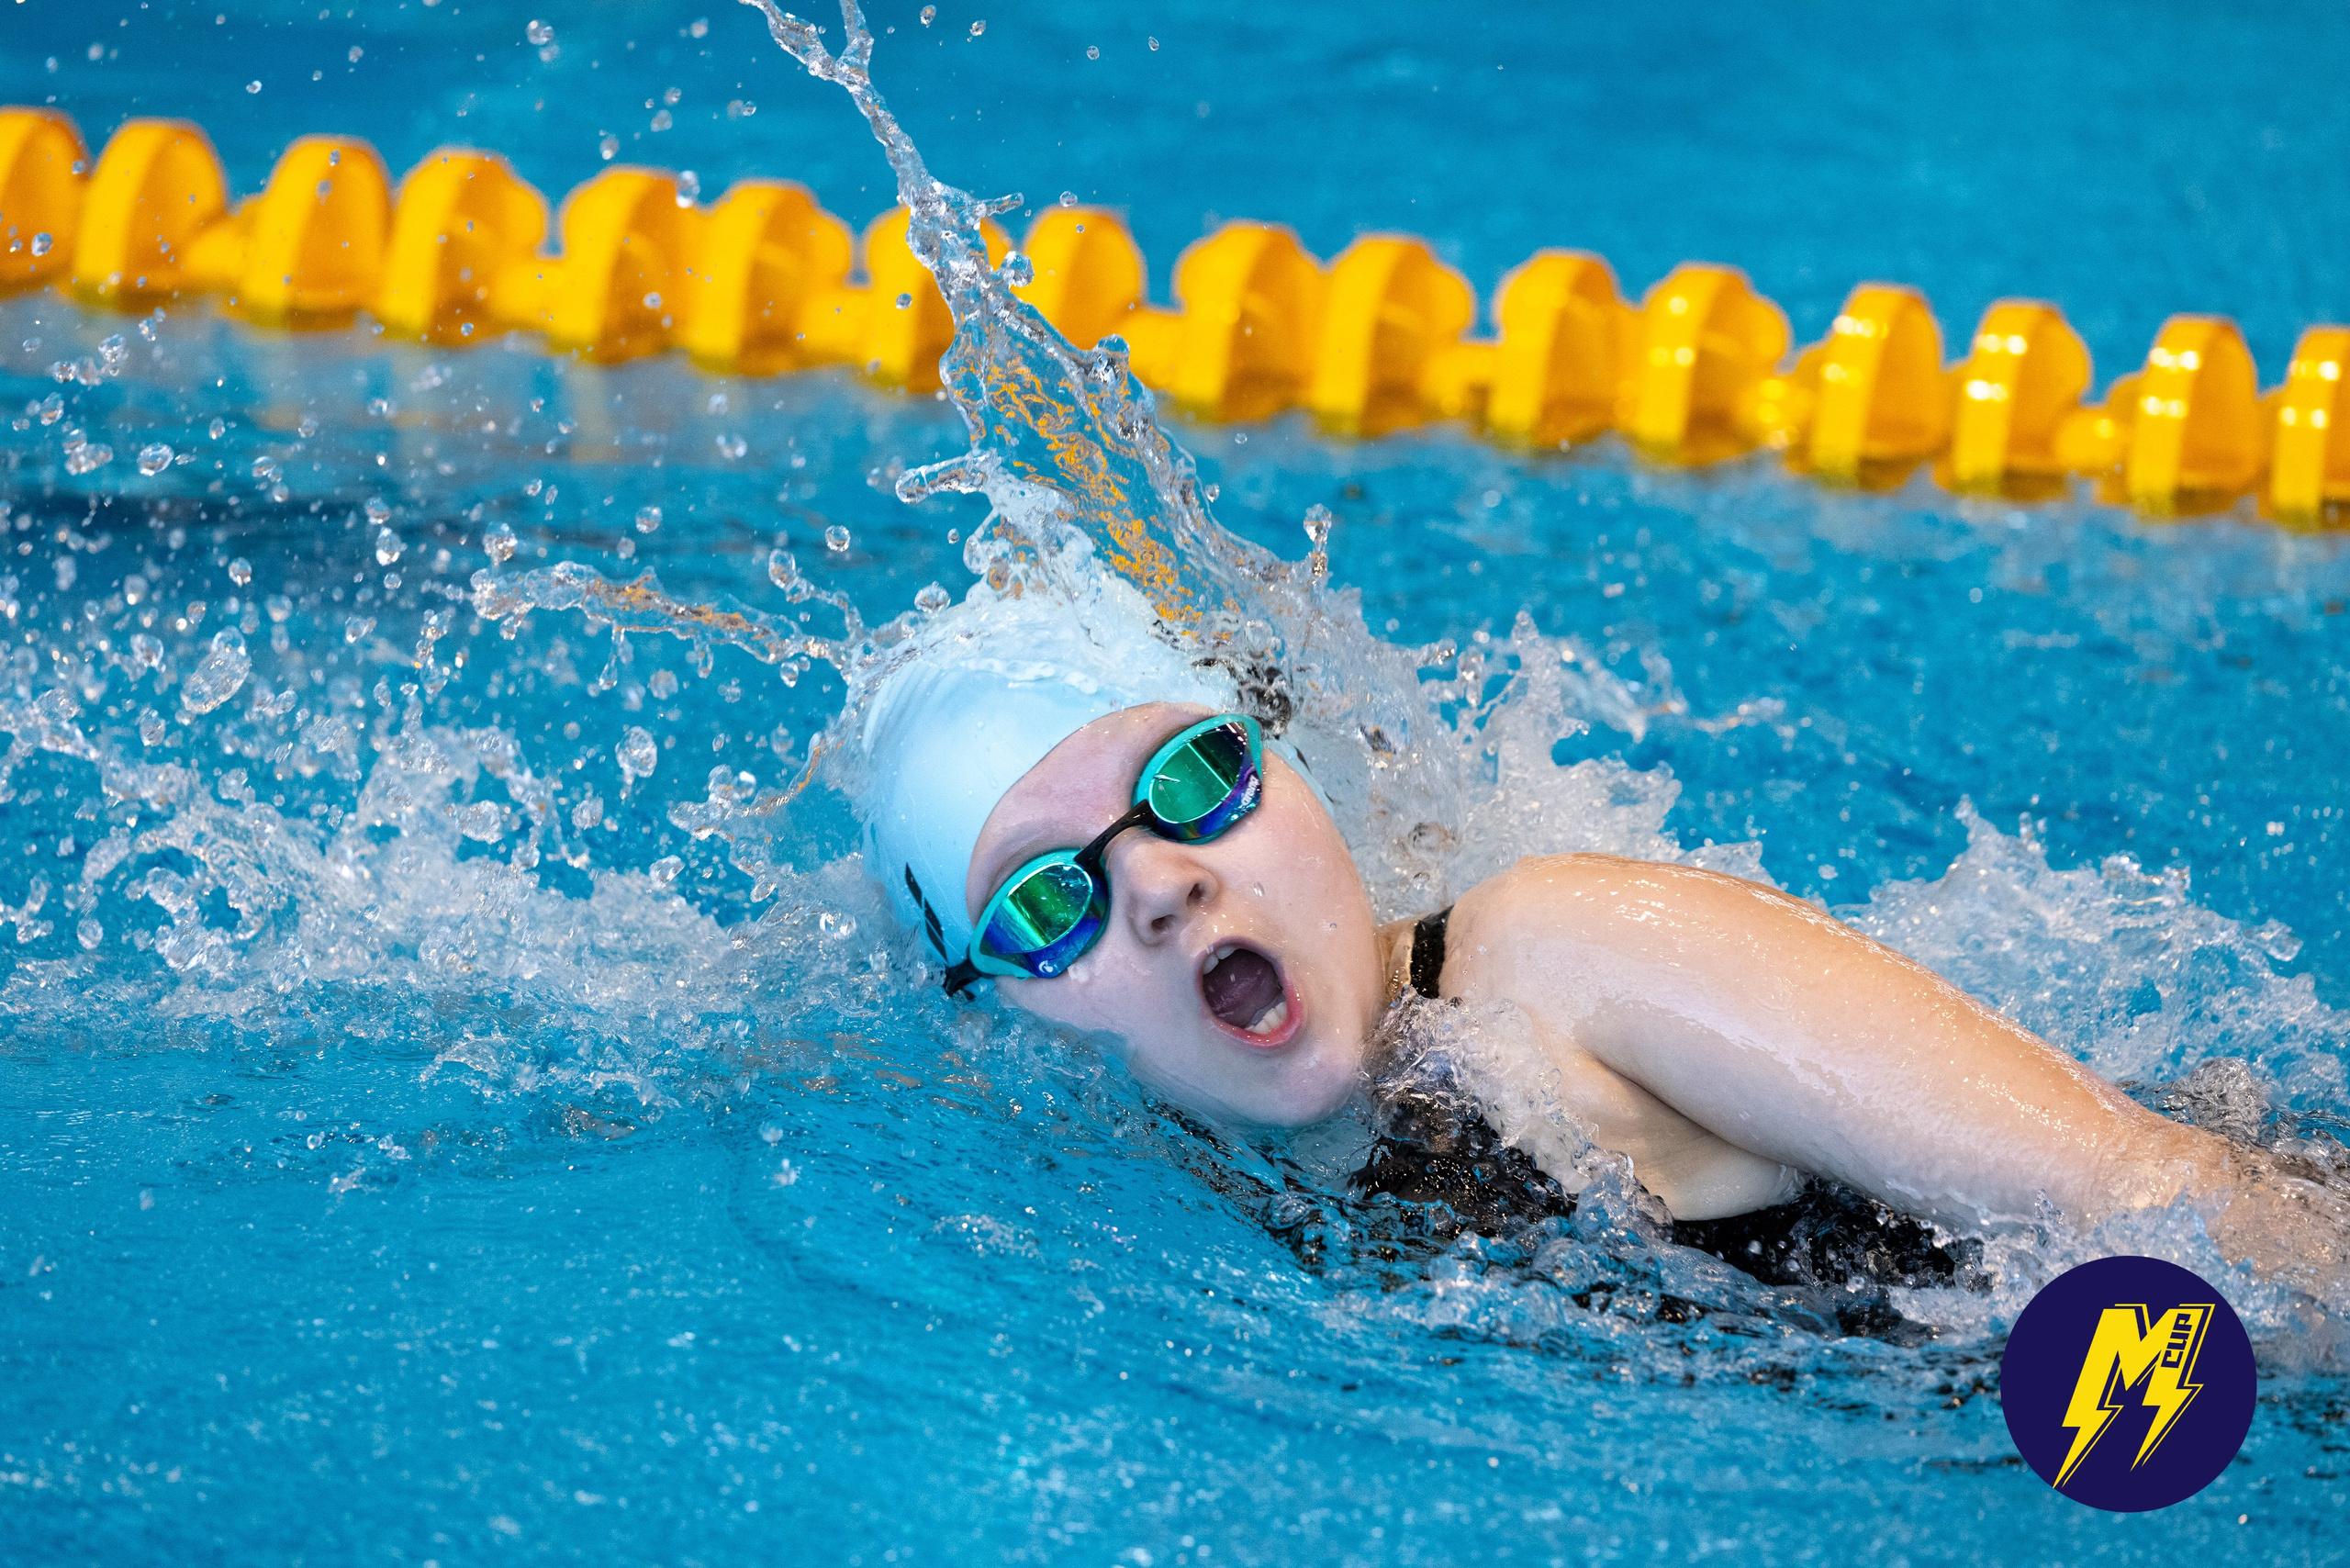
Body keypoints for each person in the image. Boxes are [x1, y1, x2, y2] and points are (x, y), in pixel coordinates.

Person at [858, 597, 2350, 1312]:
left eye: (1193, 778)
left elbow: (2167, 1205)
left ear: (1295, 767)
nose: (1167, 887)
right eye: (1046, 902)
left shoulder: (1556, 962)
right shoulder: (1143, 1188)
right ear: (997, 1008)